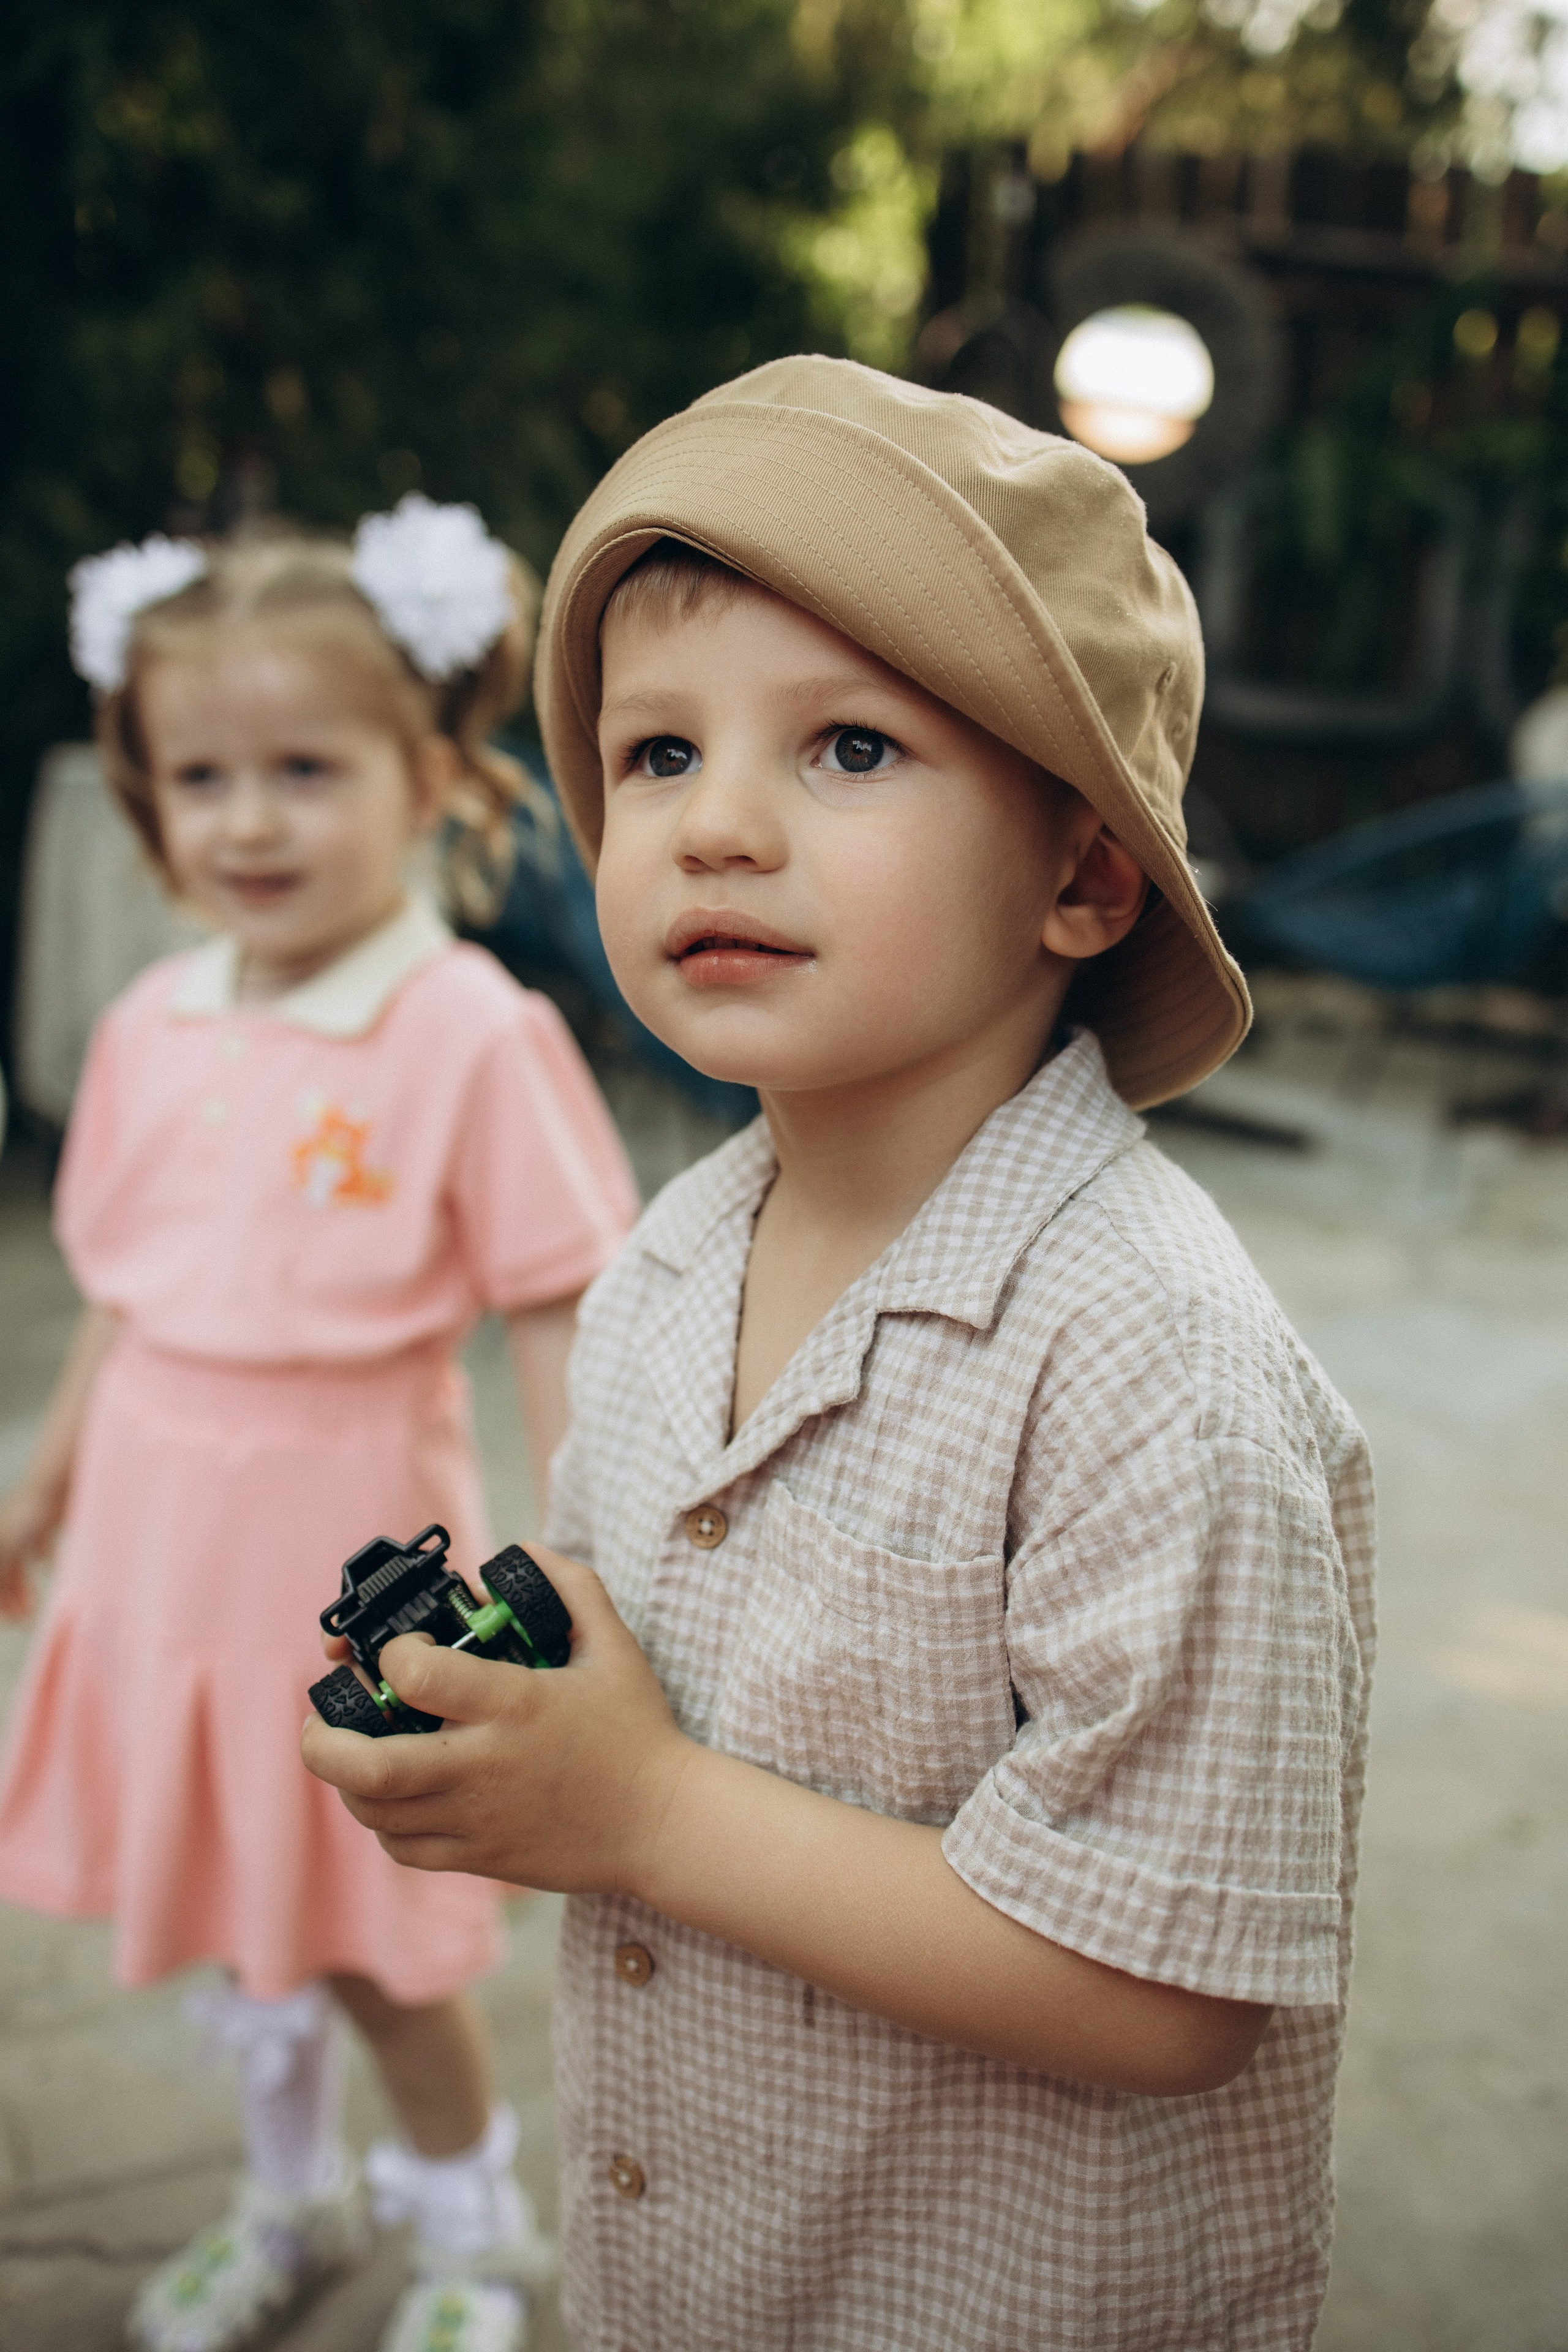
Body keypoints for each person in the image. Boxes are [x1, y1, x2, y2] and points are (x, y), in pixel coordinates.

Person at [304, 360, 1377, 2352]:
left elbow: (1175, 1991)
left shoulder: (1148, 1352)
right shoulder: (667, 1260)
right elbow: (653, 1661)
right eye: (653, 756)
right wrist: (494, 1730)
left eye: (852, 750)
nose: (716, 825)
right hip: (696, 2270)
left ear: (1082, 874)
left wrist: (639, 1817)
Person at [0, 498, 639, 2352]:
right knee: (228, 1910)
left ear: (432, 771)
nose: (251, 818)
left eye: (305, 766)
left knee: (365, 1936)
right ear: (149, 800)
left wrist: (580, 1559)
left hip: (350, 1554)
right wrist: (40, 1487)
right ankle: (287, 2195)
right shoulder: (151, 1023)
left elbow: (555, 1298)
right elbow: (130, 1296)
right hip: (151, 1554)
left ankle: (473, 2232)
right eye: (204, 776)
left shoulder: (468, 1029)